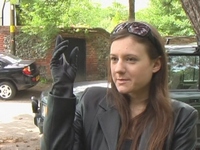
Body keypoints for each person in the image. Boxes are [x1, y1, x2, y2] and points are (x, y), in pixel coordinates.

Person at [41, 21, 198, 150]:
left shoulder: (181, 118)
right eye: (114, 59)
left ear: (156, 64)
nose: (118, 69)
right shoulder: (91, 102)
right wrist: (61, 89)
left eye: (131, 59)